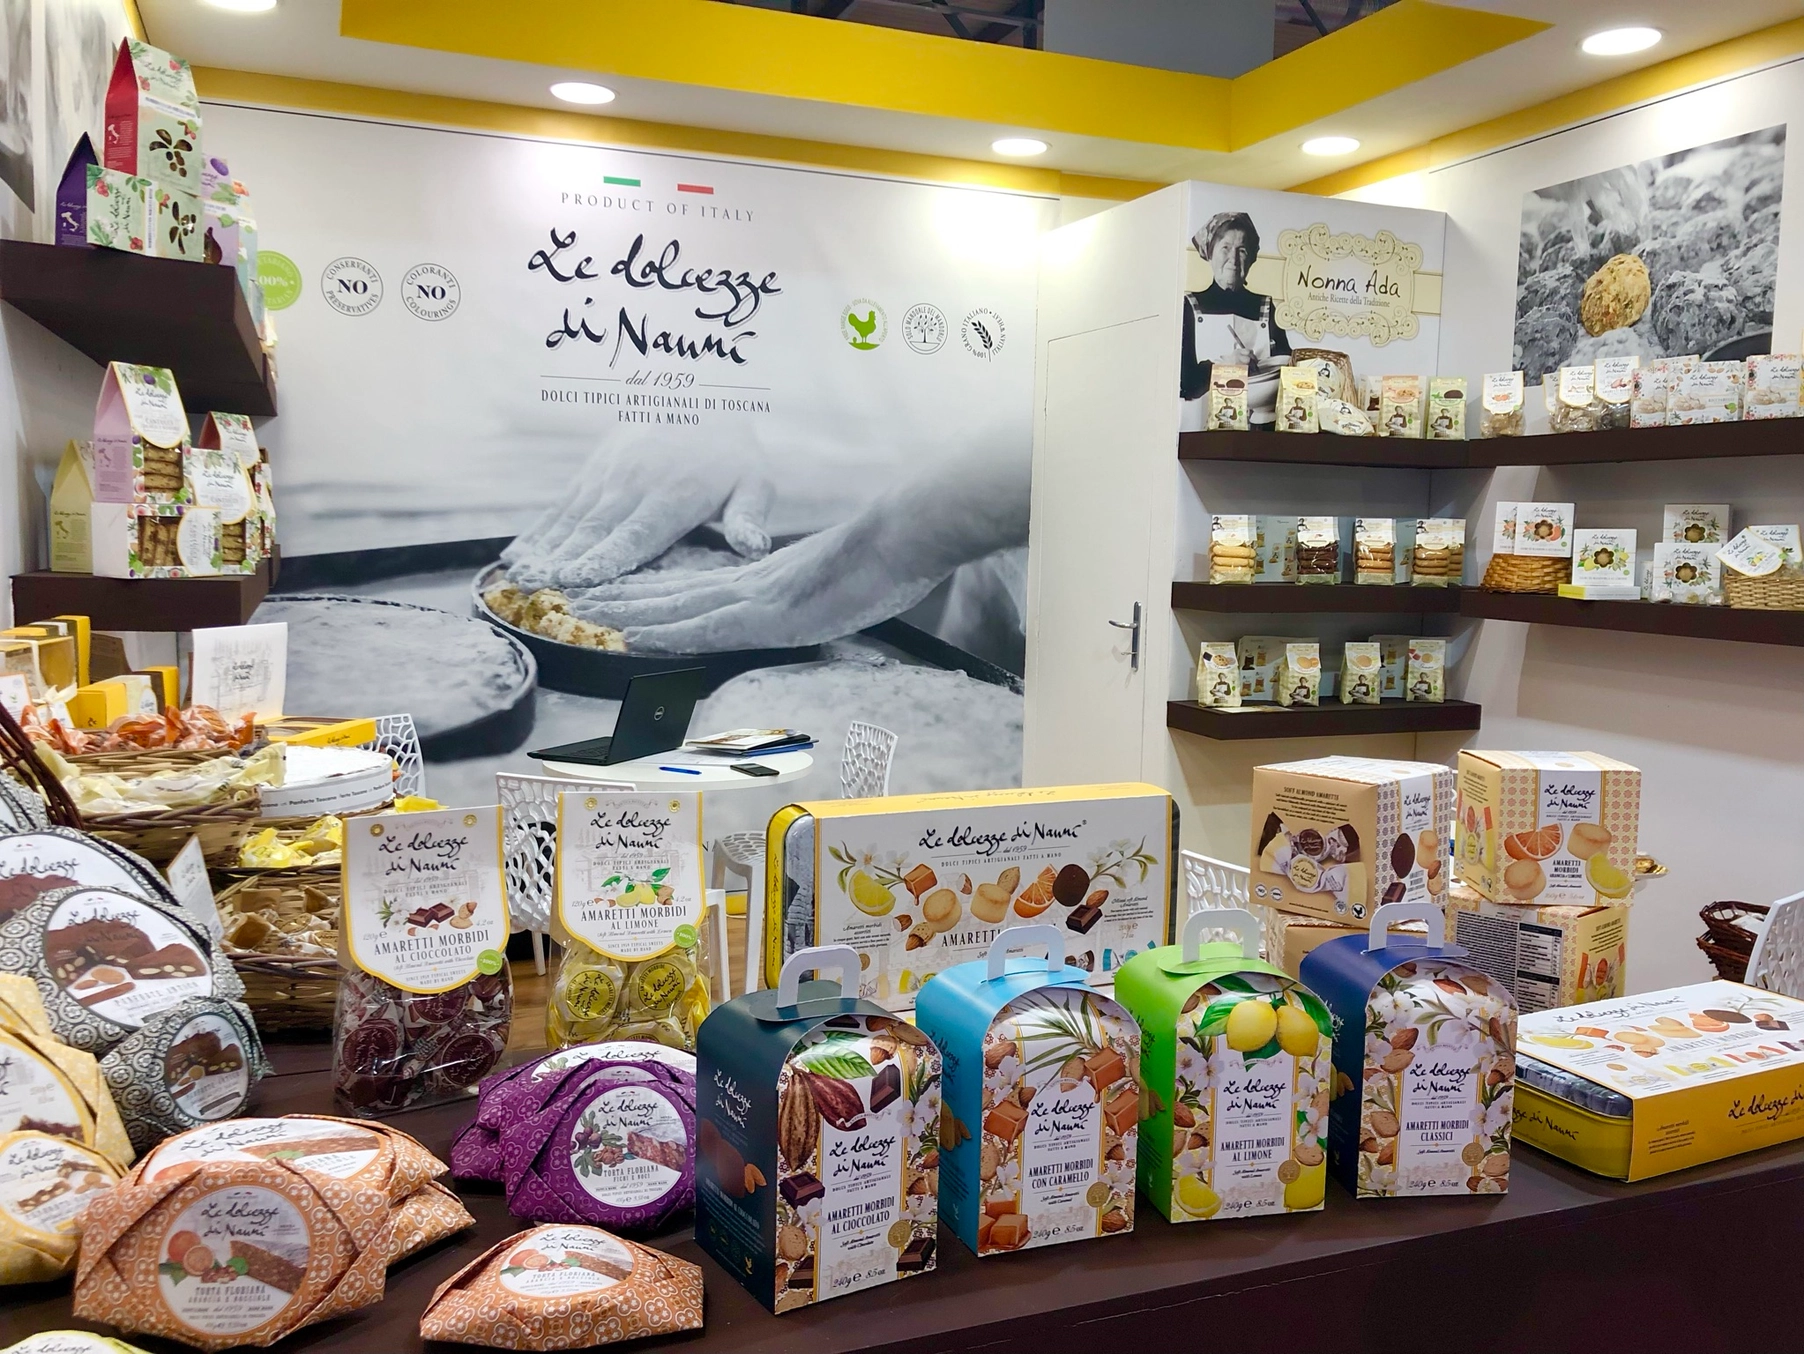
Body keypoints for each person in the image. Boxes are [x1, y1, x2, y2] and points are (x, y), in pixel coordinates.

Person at [1180, 210, 1291, 429]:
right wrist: (1225, 367)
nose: (1233, 258)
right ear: (1209, 253)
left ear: (1250, 259)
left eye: (1242, 250)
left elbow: (1285, 372)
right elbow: (1185, 383)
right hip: (1204, 432)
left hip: (1260, 431)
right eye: (1225, 247)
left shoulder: (1266, 307)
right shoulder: (1189, 306)